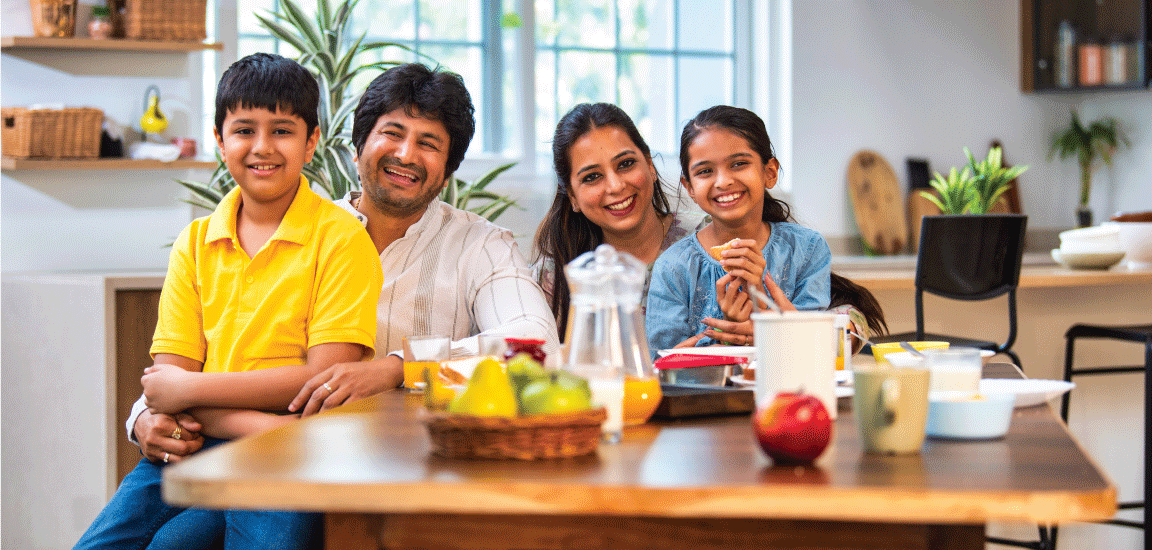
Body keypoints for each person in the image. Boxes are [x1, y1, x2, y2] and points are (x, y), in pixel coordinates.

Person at [76, 53, 383, 550]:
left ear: (312, 142)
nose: (262, 147)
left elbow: (321, 381)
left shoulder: (342, 239)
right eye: (244, 130)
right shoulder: (195, 243)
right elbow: (165, 386)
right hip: (198, 444)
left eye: (282, 130)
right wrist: (217, 409)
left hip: (289, 453)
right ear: (220, 140)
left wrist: (196, 394)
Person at [285, 62, 561, 412]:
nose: (405, 154)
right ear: (357, 150)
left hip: (435, 451)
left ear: (447, 174)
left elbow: (538, 343)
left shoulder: (481, 245)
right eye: (393, 133)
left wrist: (401, 366)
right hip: (300, 443)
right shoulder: (298, 233)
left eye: (428, 143)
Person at [645, 105, 832, 353]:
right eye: (705, 171)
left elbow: (819, 348)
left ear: (770, 172)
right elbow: (662, 363)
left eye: (739, 164)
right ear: (689, 187)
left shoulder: (807, 249)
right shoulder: (673, 266)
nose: (723, 181)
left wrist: (764, 315)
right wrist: (728, 333)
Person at [533, 103, 702, 334]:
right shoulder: (555, 276)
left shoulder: (709, 239)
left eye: (625, 164)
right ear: (572, 197)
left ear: (650, 166)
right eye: (592, 177)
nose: (615, 186)